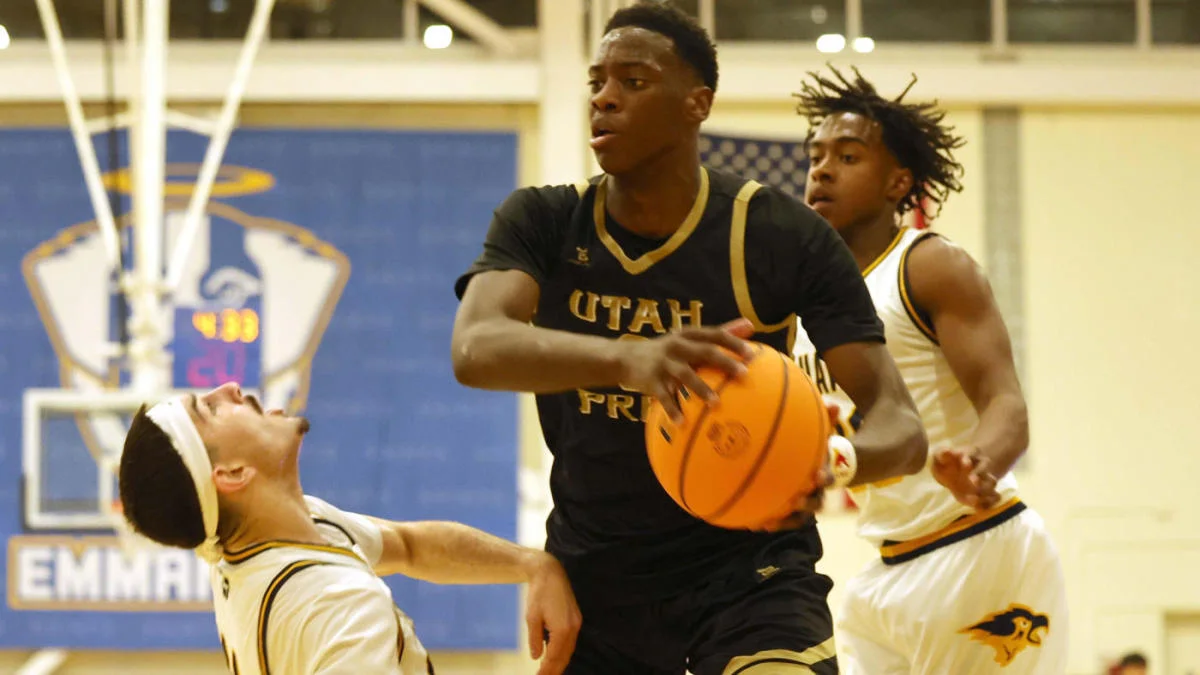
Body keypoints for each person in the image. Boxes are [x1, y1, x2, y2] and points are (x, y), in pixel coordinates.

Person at [448, 4, 985, 673]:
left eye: (633, 81)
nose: (605, 97)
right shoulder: (545, 220)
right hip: (599, 576)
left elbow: (900, 425)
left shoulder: (782, 236)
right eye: (596, 82)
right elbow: (475, 347)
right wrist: (631, 359)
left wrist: (832, 461)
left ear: (696, 104)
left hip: (751, 571)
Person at [792, 66, 1069, 674]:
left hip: (976, 545)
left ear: (899, 182)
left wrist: (980, 462)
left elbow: (1005, 402)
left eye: (847, 156)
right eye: (816, 156)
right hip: (884, 569)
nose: (823, 170)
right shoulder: (807, 302)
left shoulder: (929, 265)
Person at [117, 382, 582, 675]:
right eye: (210, 409)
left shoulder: (274, 537)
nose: (231, 388)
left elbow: (411, 546)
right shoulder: (338, 604)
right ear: (233, 474)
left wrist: (532, 565)